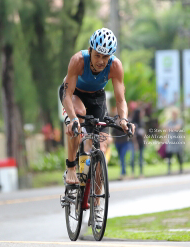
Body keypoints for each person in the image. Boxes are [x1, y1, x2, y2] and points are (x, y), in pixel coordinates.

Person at [59, 28, 135, 184]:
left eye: (105, 56)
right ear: (90, 50)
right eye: (97, 55)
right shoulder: (78, 60)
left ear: (111, 56)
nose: (101, 61)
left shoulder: (115, 66)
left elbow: (121, 100)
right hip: (74, 94)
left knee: (101, 148)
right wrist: (73, 119)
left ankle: (97, 205)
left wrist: (123, 119)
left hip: (97, 97)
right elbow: (67, 94)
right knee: (77, 119)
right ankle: (71, 168)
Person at [165, 108, 184, 174]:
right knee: (169, 156)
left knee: (179, 155)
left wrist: (170, 129)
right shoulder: (169, 122)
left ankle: (181, 169)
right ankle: (169, 170)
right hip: (171, 140)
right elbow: (166, 130)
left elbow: (177, 127)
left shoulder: (179, 121)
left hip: (177, 140)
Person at [132, 108, 146, 176]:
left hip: (141, 142)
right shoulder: (134, 123)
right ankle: (133, 173)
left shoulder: (142, 122)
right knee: (133, 158)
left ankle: (141, 173)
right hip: (135, 143)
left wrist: (146, 140)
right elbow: (133, 135)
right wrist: (135, 143)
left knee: (141, 158)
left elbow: (144, 132)